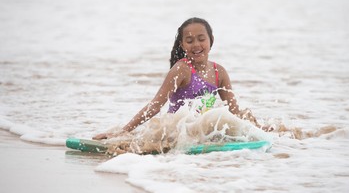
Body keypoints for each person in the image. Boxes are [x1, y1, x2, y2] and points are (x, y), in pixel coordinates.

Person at [93, 17, 266, 140]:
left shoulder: (219, 72)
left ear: (211, 40)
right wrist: (125, 131)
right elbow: (155, 105)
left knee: (243, 116)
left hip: (203, 133)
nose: (196, 45)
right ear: (183, 45)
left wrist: (258, 131)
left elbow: (234, 111)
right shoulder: (182, 70)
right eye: (190, 40)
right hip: (177, 133)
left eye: (201, 39)